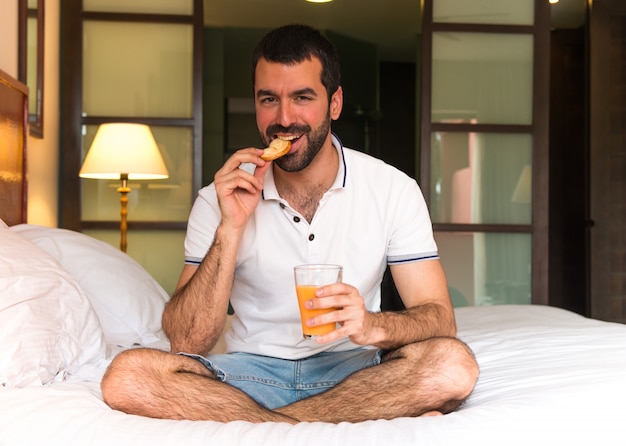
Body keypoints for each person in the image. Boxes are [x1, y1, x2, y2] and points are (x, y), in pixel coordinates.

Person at [101, 24, 479, 424]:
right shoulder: (218, 198)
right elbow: (187, 340)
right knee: (127, 376)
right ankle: (311, 422)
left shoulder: (393, 189)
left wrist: (371, 326)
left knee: (452, 364)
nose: (284, 118)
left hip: (355, 371)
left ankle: (276, 425)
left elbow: (439, 317)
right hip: (249, 374)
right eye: (269, 99)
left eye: (302, 98)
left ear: (334, 103)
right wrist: (229, 229)